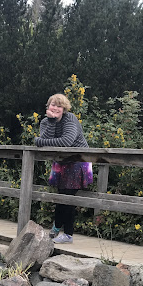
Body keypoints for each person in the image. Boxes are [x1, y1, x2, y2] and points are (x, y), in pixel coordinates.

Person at [34, 93, 92, 243]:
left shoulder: (70, 119)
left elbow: (66, 141)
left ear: (64, 108)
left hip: (78, 161)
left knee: (68, 198)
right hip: (61, 162)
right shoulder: (45, 122)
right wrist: (51, 122)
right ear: (48, 106)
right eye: (53, 104)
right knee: (61, 196)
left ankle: (68, 234)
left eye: (59, 106)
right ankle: (56, 228)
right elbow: (45, 141)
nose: (56, 108)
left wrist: (40, 141)